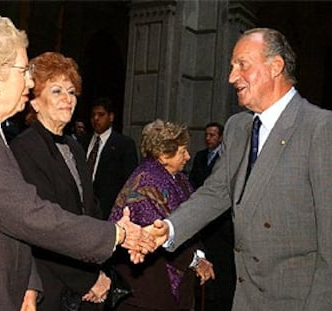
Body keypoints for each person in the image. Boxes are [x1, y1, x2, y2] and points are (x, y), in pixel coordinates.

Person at [0, 13, 155, 311]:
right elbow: (29, 215)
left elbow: (8, 222)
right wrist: (118, 234)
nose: (31, 81)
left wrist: (30, 284)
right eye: (23, 70)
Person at [148, 28, 332, 310]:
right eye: (231, 67)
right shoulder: (238, 128)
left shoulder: (320, 128)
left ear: (276, 66)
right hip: (246, 297)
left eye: (242, 65)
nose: (231, 77)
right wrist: (170, 228)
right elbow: (216, 192)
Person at [10, 52, 111, 310]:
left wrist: (105, 255)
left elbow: (90, 210)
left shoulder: (75, 147)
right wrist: (88, 279)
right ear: (34, 101)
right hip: (49, 287)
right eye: (56, 91)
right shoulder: (25, 149)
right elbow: (44, 229)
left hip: (84, 286)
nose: (68, 99)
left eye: (71, 92)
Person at [109, 119, 215, 311]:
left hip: (173, 284)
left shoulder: (180, 179)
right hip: (148, 287)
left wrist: (199, 255)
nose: (188, 156)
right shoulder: (146, 182)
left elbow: (192, 219)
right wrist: (196, 262)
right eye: (183, 151)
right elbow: (160, 234)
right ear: (164, 155)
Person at [189, 122, 236, 311]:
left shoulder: (228, 159)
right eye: (206, 135)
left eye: (213, 135)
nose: (209, 139)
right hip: (203, 221)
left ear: (221, 137)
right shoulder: (201, 157)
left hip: (223, 225)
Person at [83, 97, 138, 219]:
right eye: (93, 115)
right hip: (82, 211)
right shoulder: (82, 142)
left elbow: (130, 183)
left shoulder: (124, 145)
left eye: (101, 115)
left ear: (111, 117)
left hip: (108, 213)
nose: (96, 119)